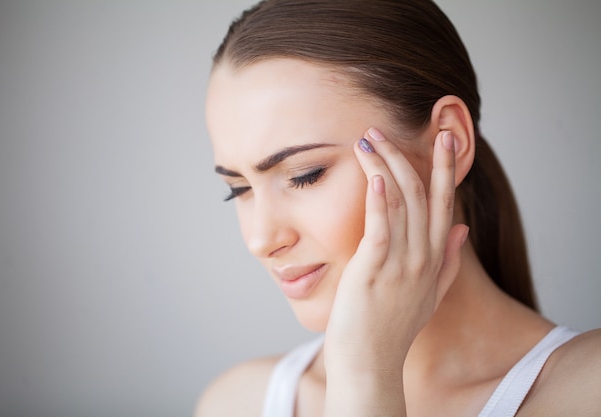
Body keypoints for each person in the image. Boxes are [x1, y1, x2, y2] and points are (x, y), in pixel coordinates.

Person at [195, 0, 601, 416]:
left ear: (449, 140)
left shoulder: (588, 391)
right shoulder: (237, 402)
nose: (260, 239)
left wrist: (367, 376)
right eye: (238, 189)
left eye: (306, 174)